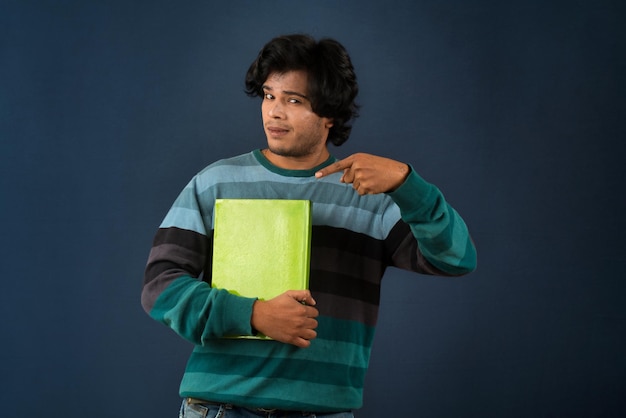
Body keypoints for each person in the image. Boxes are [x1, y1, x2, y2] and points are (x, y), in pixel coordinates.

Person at [142, 34, 477, 417]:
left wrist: (407, 183)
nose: (274, 112)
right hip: (220, 407)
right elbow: (160, 285)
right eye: (269, 96)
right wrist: (253, 314)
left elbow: (457, 258)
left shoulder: (369, 195)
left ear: (330, 113)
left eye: (293, 100)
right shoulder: (213, 183)